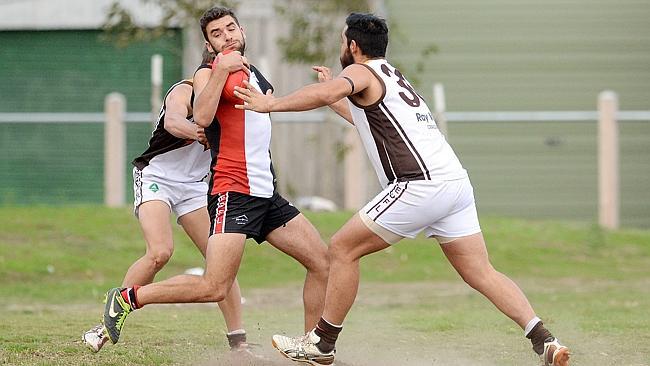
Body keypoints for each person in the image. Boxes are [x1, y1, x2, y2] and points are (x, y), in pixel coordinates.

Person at [234, 12, 571, 366]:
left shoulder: (361, 71)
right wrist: (335, 95)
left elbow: (326, 92)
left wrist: (272, 103)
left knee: (341, 249)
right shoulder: (391, 76)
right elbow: (363, 120)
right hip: (454, 184)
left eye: (341, 40)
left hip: (418, 184)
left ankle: (322, 343)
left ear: (352, 45)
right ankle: (544, 341)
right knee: (481, 272)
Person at [99, 5, 330, 350]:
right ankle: (129, 298)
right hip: (232, 192)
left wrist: (327, 93)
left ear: (242, 31)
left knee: (321, 262)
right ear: (209, 45)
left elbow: (269, 112)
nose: (227, 37)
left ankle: (312, 347)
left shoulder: (257, 75)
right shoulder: (207, 74)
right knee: (214, 285)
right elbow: (204, 115)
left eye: (231, 28)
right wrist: (221, 69)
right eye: (217, 34)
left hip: (266, 194)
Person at [82, 49, 250, 353]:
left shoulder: (232, 101)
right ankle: (105, 325)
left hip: (194, 189)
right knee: (160, 252)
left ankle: (239, 343)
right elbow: (174, 121)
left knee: (221, 264)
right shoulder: (185, 91)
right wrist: (203, 134)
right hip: (156, 176)